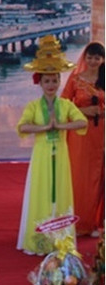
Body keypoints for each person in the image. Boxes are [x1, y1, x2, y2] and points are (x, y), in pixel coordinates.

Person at [17, 35, 87, 255]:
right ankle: (40, 239)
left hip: (61, 154)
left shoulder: (65, 105)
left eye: (54, 81)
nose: (51, 85)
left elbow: (82, 121)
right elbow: (23, 127)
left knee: (60, 192)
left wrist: (61, 126)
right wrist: (44, 128)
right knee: (41, 192)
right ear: (40, 83)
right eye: (47, 81)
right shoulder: (33, 106)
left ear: (59, 82)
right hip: (41, 155)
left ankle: (61, 240)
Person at [62, 42, 105, 237]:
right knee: (79, 176)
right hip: (80, 135)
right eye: (90, 57)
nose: (93, 61)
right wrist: (83, 111)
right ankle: (78, 222)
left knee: (100, 176)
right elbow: (62, 106)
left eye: (97, 57)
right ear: (84, 58)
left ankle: (97, 223)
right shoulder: (75, 79)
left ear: (103, 60)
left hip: (101, 134)